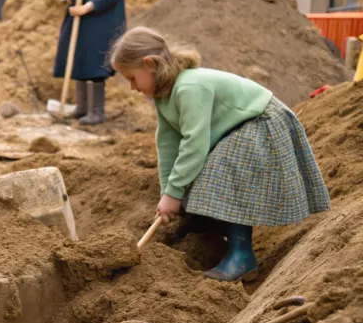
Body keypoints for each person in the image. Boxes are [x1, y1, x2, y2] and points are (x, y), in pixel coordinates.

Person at [109, 27, 331, 282]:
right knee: (191, 177)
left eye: (132, 78)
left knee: (220, 171)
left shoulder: (189, 87)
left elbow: (195, 143)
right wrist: (168, 193)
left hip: (262, 121)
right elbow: (168, 145)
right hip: (238, 129)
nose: (132, 88)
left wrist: (174, 192)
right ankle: (207, 229)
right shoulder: (163, 96)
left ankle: (241, 255)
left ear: (149, 64)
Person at [53, 0, 126, 126]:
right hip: (83, 19)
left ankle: (96, 112)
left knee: (95, 64)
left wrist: (87, 7)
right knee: (80, 59)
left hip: (102, 20)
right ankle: (82, 107)